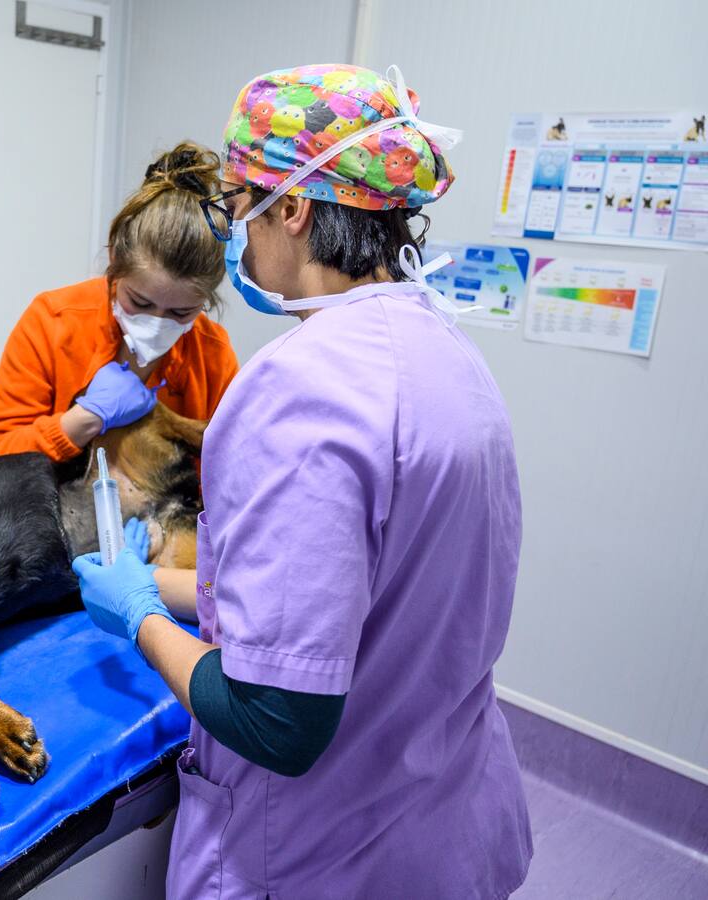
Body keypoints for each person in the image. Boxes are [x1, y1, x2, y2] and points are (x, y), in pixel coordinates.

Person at [73, 65, 532, 899]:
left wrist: (138, 618)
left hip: (320, 853)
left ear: (291, 208)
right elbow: (374, 592)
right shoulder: (448, 353)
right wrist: (164, 585)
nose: (235, 233)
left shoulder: (301, 388)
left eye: (242, 202)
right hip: (441, 821)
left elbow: (274, 720)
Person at [0, 142, 239, 463]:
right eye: (139, 302)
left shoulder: (211, 353)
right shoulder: (53, 320)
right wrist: (80, 421)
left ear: (206, 300)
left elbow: (225, 472)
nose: (156, 323)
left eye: (181, 312)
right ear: (114, 261)